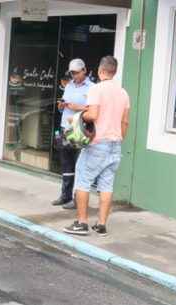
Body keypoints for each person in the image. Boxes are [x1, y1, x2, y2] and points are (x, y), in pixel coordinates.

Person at [63, 56, 130, 236]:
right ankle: (101, 225)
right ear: (114, 72)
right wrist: (118, 139)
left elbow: (92, 115)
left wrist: (77, 117)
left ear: (100, 71)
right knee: (106, 185)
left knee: (83, 180)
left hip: (97, 144)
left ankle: (82, 223)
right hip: (115, 144)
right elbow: (125, 122)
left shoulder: (96, 89)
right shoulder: (123, 93)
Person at [52, 58, 94, 209]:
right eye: (72, 73)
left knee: (79, 164)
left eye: (76, 73)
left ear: (84, 70)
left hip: (80, 128)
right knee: (66, 162)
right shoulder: (69, 86)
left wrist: (78, 107)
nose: (74, 76)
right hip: (66, 127)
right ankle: (65, 195)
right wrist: (61, 106)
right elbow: (62, 107)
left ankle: (77, 199)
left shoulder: (92, 88)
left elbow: (93, 110)